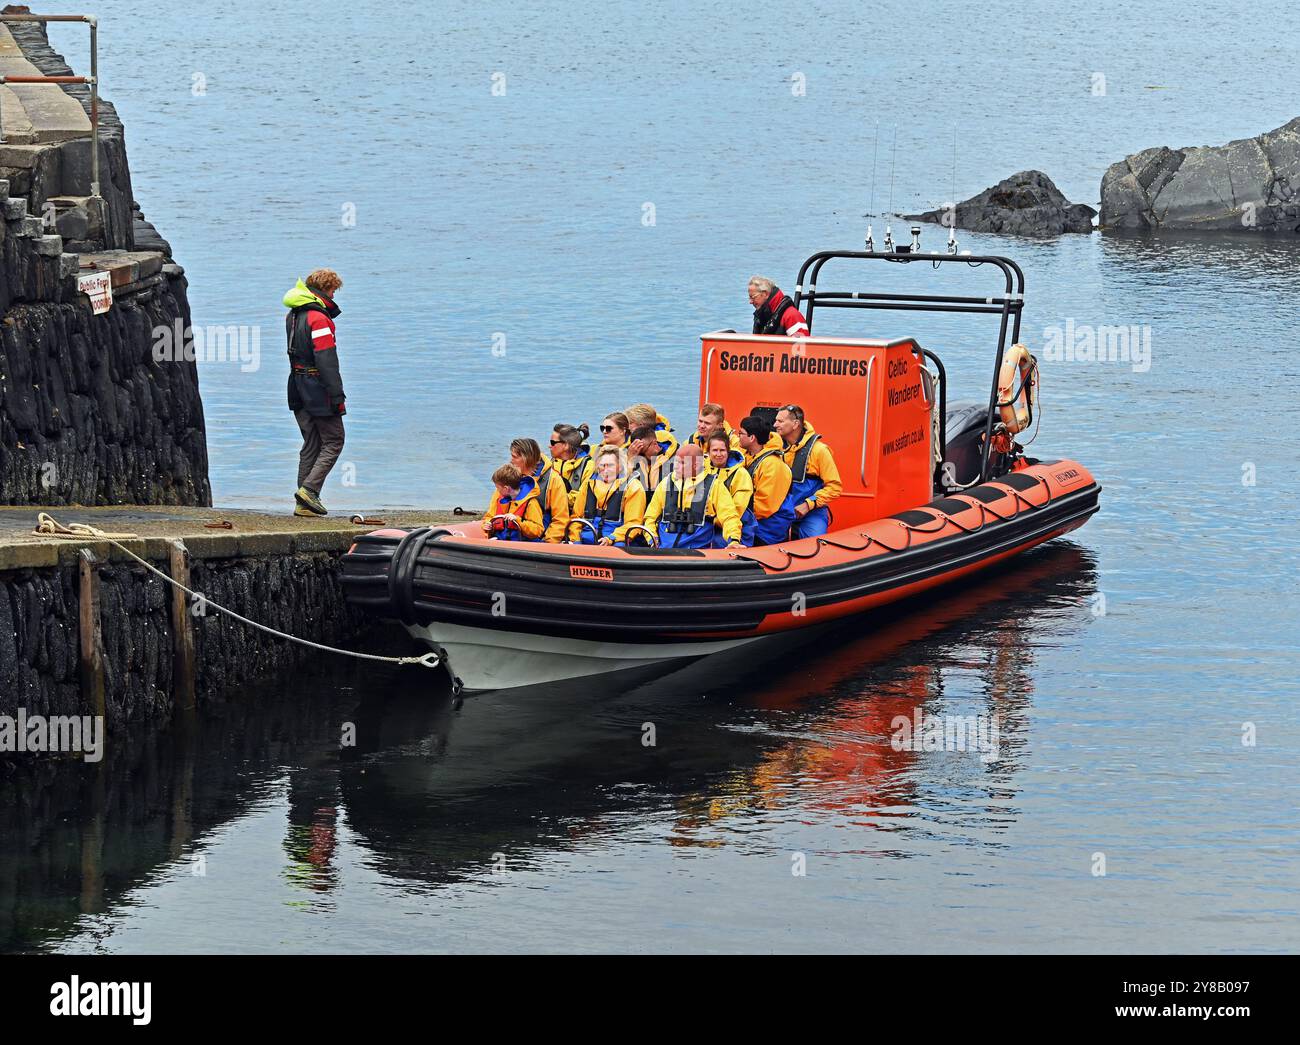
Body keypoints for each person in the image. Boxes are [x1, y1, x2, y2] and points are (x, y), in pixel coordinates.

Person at [284, 268, 346, 517]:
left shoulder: (293, 315)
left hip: (296, 386)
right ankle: (310, 490)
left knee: (311, 443)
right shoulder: (319, 319)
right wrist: (337, 395)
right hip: (317, 388)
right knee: (334, 440)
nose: (334, 294)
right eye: (333, 290)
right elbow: (326, 360)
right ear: (325, 290)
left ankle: (303, 504)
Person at [642, 444, 742, 549]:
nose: (676, 466)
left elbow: (729, 517)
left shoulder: (714, 485)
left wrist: (734, 540)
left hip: (699, 552)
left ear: (696, 464)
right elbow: (650, 518)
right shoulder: (665, 483)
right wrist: (652, 539)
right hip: (664, 549)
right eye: (676, 461)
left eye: (682, 463)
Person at [775, 404, 841, 539]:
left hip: (811, 512)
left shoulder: (819, 451)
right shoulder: (775, 448)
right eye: (776, 421)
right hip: (781, 512)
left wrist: (808, 504)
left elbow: (834, 487)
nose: (775, 425)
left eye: (780, 421)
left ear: (795, 424)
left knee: (814, 546)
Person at [737, 414, 796, 545]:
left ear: (752, 438)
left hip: (766, 530)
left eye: (741, 433)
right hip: (751, 521)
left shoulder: (773, 466)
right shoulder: (749, 456)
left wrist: (734, 515)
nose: (737, 437)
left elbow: (764, 507)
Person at [568, 448, 647, 546]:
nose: (605, 470)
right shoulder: (588, 484)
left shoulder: (633, 486)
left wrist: (611, 538)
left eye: (610, 466)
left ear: (620, 467)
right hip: (586, 536)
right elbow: (576, 517)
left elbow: (633, 523)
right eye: (602, 465)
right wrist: (575, 540)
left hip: (616, 539)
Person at [509, 437, 570, 543]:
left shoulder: (553, 480)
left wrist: (548, 543)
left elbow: (560, 519)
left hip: (539, 538)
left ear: (526, 458)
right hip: (511, 534)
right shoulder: (510, 476)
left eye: (514, 457)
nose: (511, 460)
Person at [705, 429, 755, 547]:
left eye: (722, 450)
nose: (718, 454)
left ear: (728, 451)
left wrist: (712, 520)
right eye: (714, 450)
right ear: (708, 451)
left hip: (737, 524)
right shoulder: (702, 469)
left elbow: (737, 509)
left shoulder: (740, 474)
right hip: (708, 523)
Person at [481, 464, 544, 541]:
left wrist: (517, 520)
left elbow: (537, 530)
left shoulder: (531, 503)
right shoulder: (499, 498)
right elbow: (489, 516)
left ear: (506, 488)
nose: (497, 490)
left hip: (521, 544)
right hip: (500, 540)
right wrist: (487, 524)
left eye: (497, 487)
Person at [549, 423, 594, 512]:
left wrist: (554, 498)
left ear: (566, 445)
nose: (549, 446)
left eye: (552, 442)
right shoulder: (553, 462)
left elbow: (583, 496)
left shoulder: (588, 466)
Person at [627, 423, 677, 493]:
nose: (642, 456)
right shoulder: (635, 461)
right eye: (639, 453)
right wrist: (630, 459)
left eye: (643, 450)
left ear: (655, 443)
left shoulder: (673, 463)